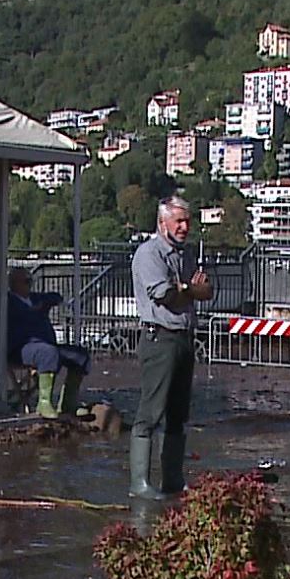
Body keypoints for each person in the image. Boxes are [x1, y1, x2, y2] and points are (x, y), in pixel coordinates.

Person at [128, 196, 212, 500]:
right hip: (158, 338)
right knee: (150, 412)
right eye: (178, 221)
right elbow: (165, 295)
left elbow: (205, 290)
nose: (185, 227)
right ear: (162, 222)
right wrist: (190, 290)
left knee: (178, 413)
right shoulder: (148, 254)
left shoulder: (184, 255)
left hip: (183, 336)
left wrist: (187, 290)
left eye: (187, 221)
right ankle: (139, 483)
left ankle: (173, 479)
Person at [6, 266, 90, 419]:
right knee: (48, 353)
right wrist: (35, 310)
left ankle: (68, 403)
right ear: (15, 283)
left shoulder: (35, 298)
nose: (30, 284)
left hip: (45, 343)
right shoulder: (9, 301)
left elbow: (55, 296)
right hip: (21, 347)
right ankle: (44, 402)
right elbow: (22, 314)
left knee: (80, 355)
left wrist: (44, 304)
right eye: (26, 281)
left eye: (31, 280)